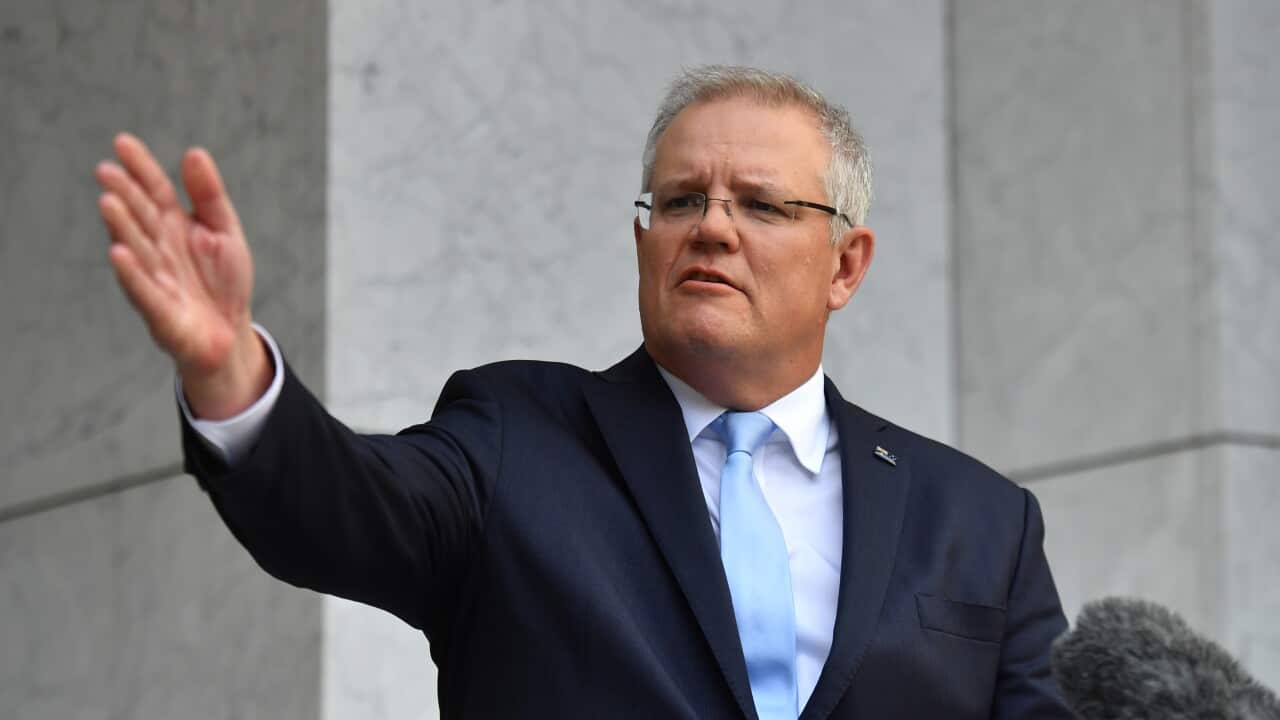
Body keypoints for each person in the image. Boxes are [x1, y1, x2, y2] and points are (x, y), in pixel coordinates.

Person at [95, 66, 1072, 719]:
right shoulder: (516, 437)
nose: (712, 227)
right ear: (644, 238)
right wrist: (230, 372)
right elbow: (341, 509)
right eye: (680, 200)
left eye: (761, 204)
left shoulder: (981, 521)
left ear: (844, 265)